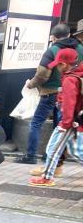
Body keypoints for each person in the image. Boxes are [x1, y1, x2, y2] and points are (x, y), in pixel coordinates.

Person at [20, 23, 83, 167]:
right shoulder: (80, 48)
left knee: (36, 123)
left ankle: (30, 156)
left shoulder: (52, 51)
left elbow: (42, 75)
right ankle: (51, 157)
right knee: (59, 127)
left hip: (50, 93)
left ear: (54, 37)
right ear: (69, 35)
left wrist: (30, 85)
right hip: (72, 93)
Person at [30, 48, 83, 187]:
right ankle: (47, 176)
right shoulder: (77, 75)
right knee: (76, 151)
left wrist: (64, 124)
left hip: (70, 121)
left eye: (58, 64)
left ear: (64, 65)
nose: (57, 67)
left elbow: (69, 103)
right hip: (75, 120)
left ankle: (47, 178)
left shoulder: (69, 79)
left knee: (55, 149)